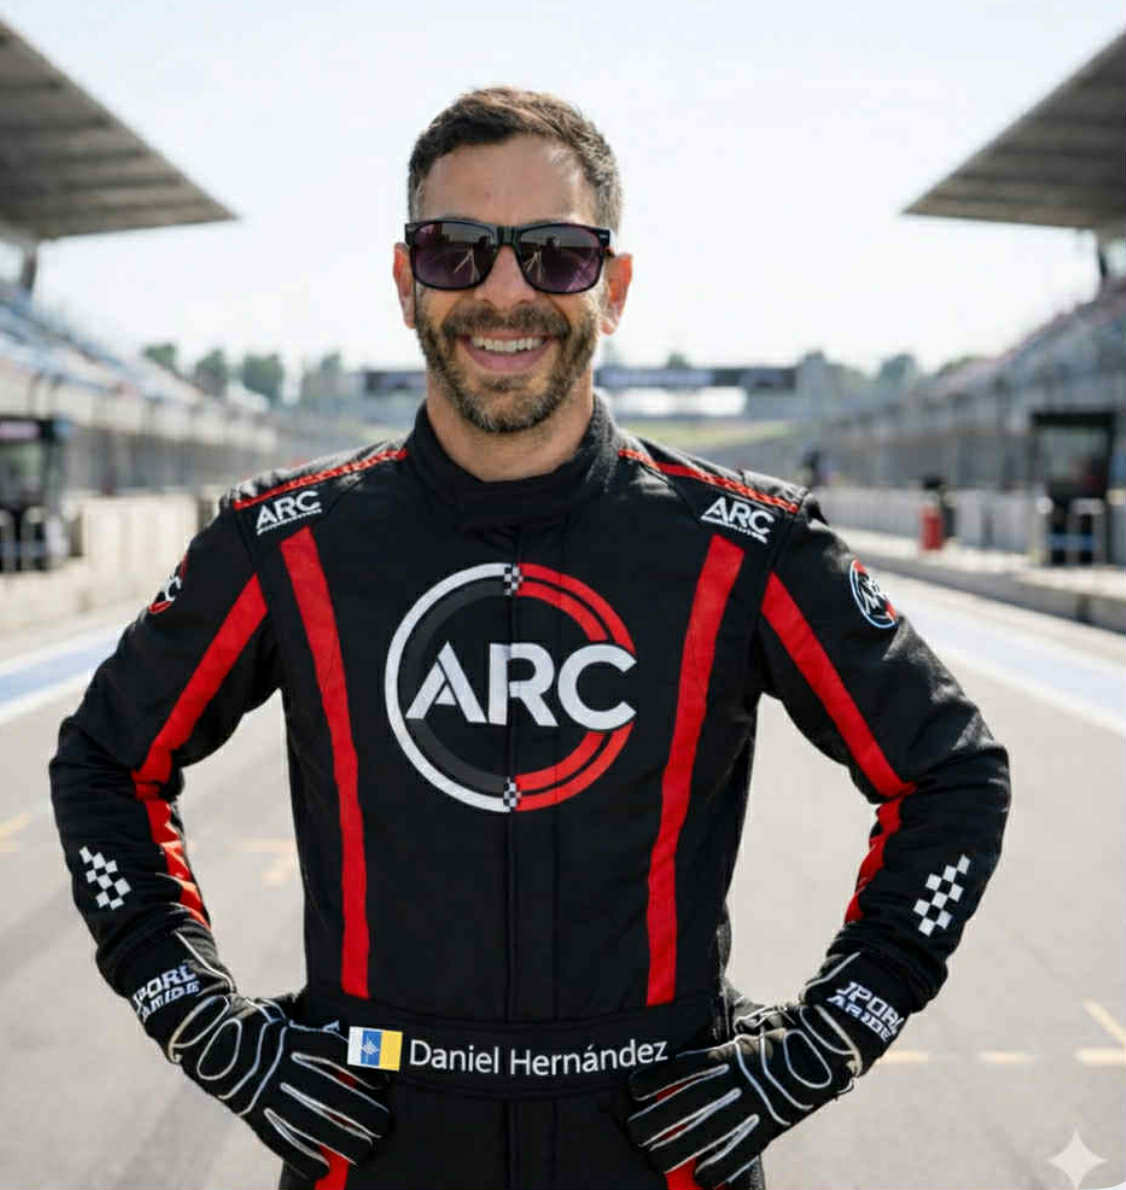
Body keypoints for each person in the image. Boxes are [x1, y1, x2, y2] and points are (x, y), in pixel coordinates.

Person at [51, 87, 1010, 1190]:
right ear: (406, 282)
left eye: (556, 255)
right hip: (374, 1148)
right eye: (455, 250)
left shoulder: (744, 545)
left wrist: (823, 1042)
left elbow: (953, 776)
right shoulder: (286, 542)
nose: (504, 291)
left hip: (659, 1153)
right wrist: (201, 1021)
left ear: (614, 287)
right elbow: (105, 765)